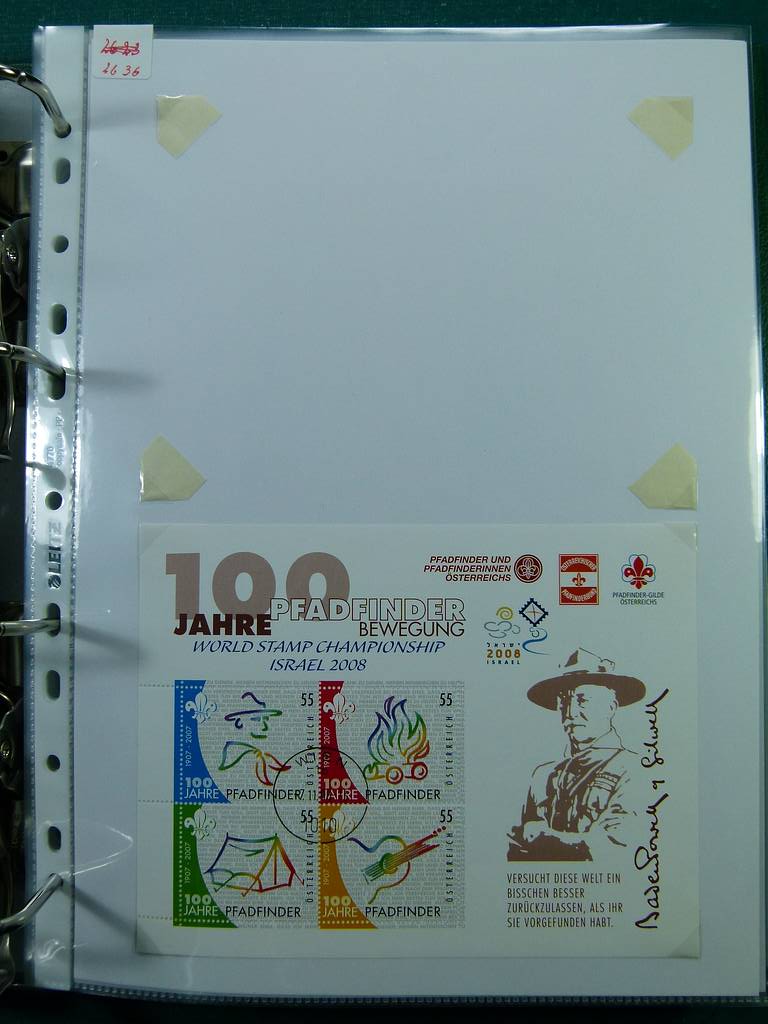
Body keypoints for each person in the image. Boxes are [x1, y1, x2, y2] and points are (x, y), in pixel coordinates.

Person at [507, 648, 646, 862]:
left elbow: (616, 848)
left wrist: (545, 839)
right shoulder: (543, 776)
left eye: (583, 700)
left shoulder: (635, 769)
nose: (570, 713)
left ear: (611, 707)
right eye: (564, 702)